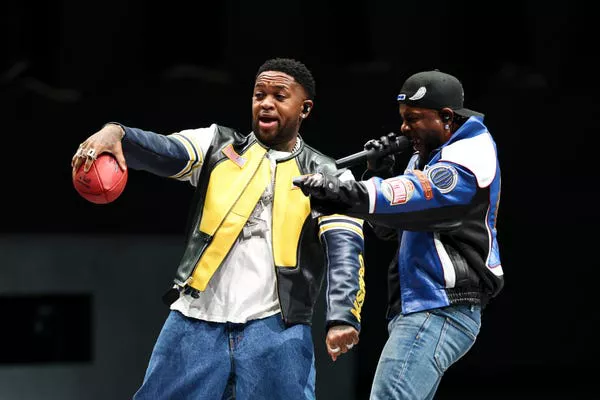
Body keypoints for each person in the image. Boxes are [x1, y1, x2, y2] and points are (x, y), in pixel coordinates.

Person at [71, 58, 365, 400]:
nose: (266, 102)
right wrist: (116, 132)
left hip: (276, 329)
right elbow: (163, 151)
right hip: (193, 321)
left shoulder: (331, 177)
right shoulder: (217, 146)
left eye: (280, 96)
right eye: (259, 94)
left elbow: (346, 253)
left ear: (305, 108)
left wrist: (343, 316)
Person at [294, 70, 504, 399]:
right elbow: (389, 229)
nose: (404, 129)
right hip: (423, 308)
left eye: (414, 119)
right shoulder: (429, 159)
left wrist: (347, 191)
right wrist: (379, 171)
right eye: (403, 119)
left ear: (446, 118)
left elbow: (423, 193)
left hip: (439, 309)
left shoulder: (468, 156)